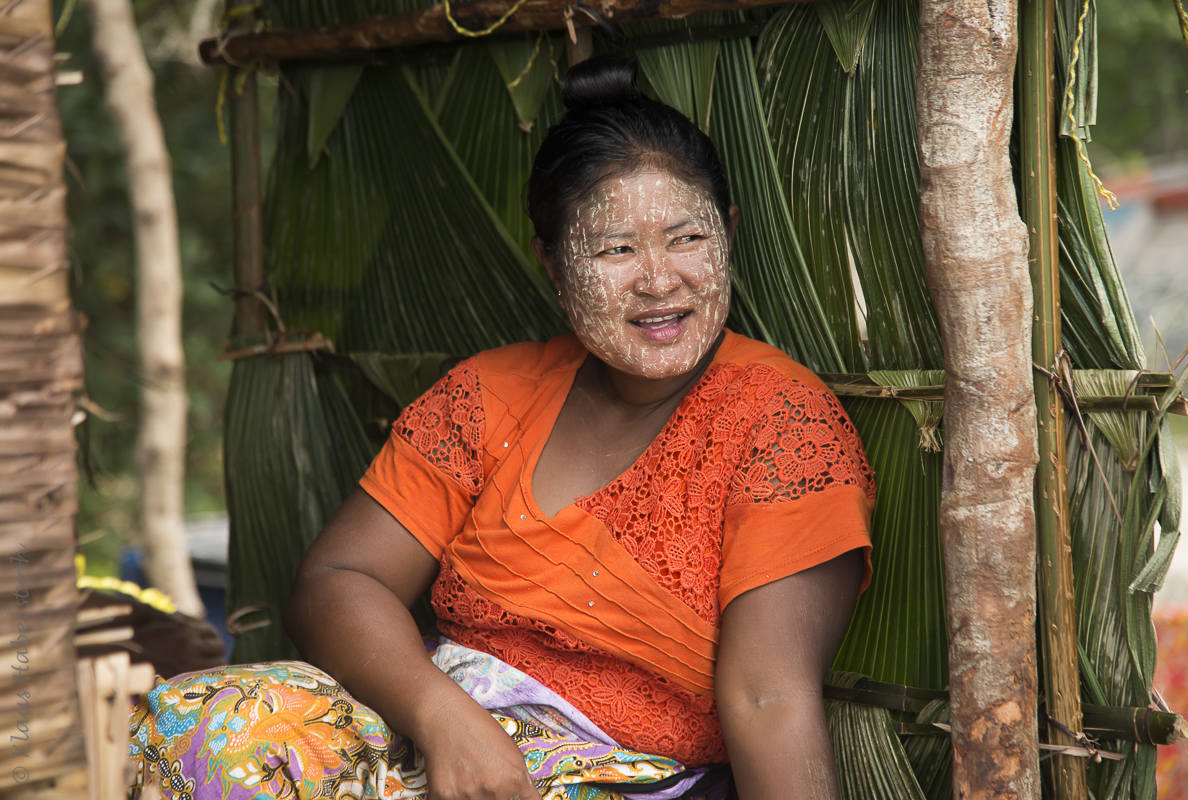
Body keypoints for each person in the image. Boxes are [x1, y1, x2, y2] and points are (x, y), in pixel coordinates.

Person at [127, 55, 874, 800]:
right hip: (438, 736)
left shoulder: (779, 424)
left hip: (619, 780)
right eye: (614, 250)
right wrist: (442, 716)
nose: (658, 279)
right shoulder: (489, 394)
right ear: (549, 264)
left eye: (686, 239)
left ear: (729, 232)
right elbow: (337, 580)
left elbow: (768, 698)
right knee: (204, 719)